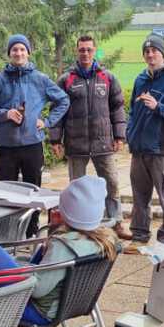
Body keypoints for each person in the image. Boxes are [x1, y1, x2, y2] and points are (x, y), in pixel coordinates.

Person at [0, 175, 121, 327]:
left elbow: (39, 288)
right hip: (72, 304)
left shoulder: (64, 246)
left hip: (40, 312)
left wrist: (20, 266)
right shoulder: (104, 240)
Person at [49, 35, 130, 240]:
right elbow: (57, 110)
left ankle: (117, 222)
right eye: (81, 49)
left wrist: (119, 135)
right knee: (76, 187)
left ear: (94, 51)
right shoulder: (66, 79)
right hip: (76, 144)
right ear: (77, 51)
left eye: (89, 49)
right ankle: (77, 226)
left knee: (111, 183)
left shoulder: (108, 78)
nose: (85, 53)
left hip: (103, 143)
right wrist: (55, 139)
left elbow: (117, 108)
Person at [125, 34, 164, 245]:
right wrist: (129, 132)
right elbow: (133, 111)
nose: (150, 54)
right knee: (139, 198)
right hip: (139, 150)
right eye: (147, 51)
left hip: (163, 150)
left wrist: (158, 106)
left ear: (162, 54)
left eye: (154, 51)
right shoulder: (140, 79)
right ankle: (139, 235)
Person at [0, 34, 70, 186]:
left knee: (33, 190)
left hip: (33, 144)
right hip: (6, 145)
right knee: (6, 191)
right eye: (14, 49)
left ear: (28, 52)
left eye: (22, 49)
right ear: (9, 53)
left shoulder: (40, 79)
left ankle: (33, 212)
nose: (19, 53)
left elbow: (63, 100)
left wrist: (47, 122)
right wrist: (5, 114)